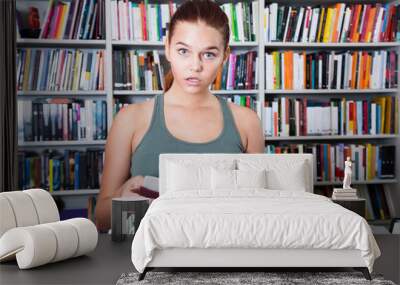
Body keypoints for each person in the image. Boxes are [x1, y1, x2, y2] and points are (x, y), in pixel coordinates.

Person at [95, 0, 264, 231]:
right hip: (146, 261)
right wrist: (123, 198)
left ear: (225, 56)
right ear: (167, 48)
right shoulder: (130, 120)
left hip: (223, 256)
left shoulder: (247, 122)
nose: (195, 66)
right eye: (183, 51)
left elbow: (259, 209)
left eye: (209, 54)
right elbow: (101, 218)